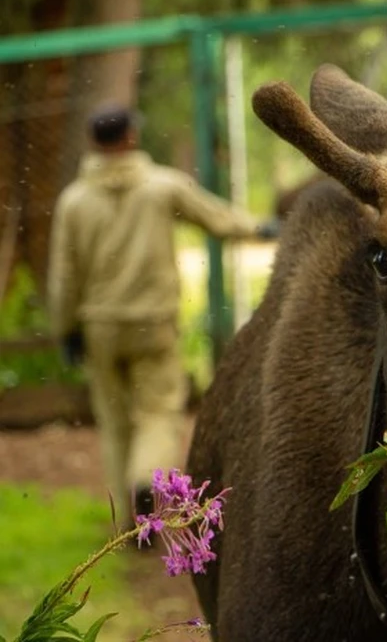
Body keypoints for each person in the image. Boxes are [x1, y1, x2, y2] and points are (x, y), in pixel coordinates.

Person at [47, 102, 277, 530]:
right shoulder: (161, 186)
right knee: (158, 412)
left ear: (93, 142)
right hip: (153, 321)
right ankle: (144, 480)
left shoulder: (74, 201)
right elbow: (218, 219)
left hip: (99, 324)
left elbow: (63, 274)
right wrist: (260, 228)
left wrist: (65, 330)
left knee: (114, 421)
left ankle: (127, 524)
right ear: (131, 137)